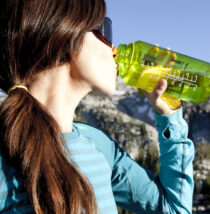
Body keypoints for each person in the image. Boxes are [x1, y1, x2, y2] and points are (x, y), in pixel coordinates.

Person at [0, 0, 194, 213]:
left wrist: (169, 114)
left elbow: (173, 208)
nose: (113, 49)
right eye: (105, 29)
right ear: (63, 32)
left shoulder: (99, 145)